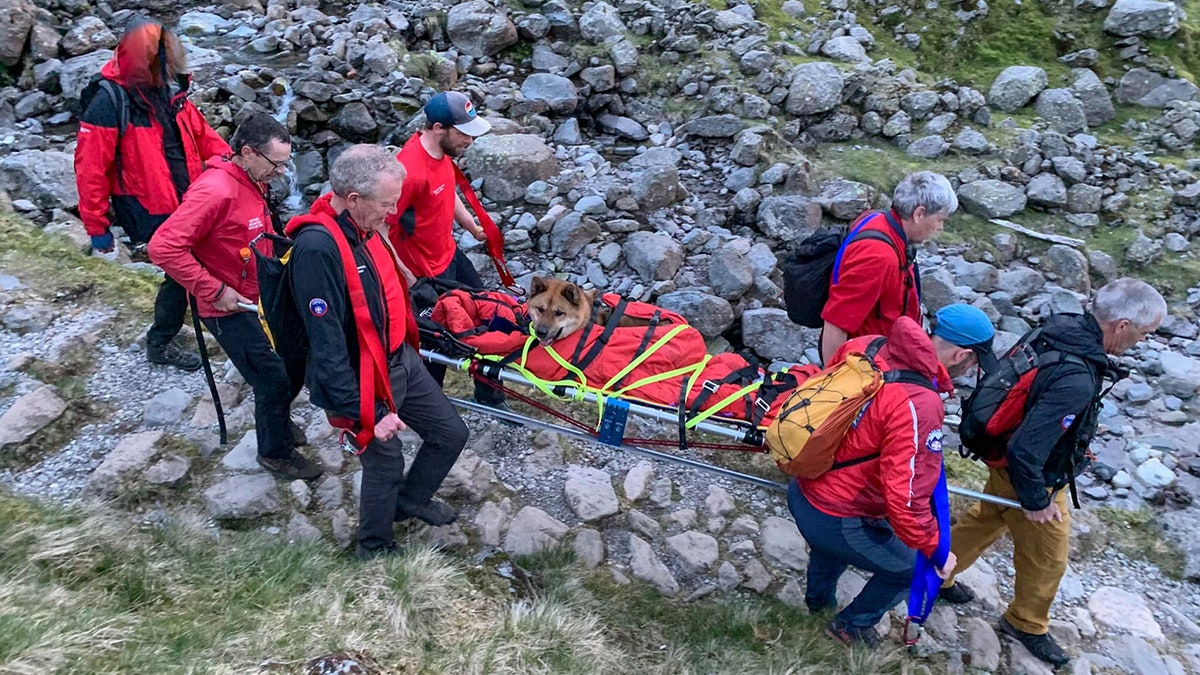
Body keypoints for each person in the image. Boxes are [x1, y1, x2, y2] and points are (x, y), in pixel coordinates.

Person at [939, 278, 1166, 667]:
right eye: (1144, 334)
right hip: (1032, 474)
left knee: (986, 519)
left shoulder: (1059, 327)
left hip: (999, 457)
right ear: (1122, 325)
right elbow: (1026, 449)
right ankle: (1026, 623)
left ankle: (934, 573)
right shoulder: (1076, 377)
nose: (1143, 342)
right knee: (1049, 558)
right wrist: (1037, 501)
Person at [288, 145, 470, 560]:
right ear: (354, 199)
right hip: (365, 375)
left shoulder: (364, 228)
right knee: (384, 465)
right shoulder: (318, 250)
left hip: (399, 358)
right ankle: (373, 546)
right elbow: (327, 343)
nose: (393, 213)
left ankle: (410, 501)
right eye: (387, 204)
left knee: (450, 434)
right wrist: (360, 411)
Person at [788, 303, 997, 648]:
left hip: (805, 483)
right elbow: (906, 499)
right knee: (911, 569)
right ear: (962, 355)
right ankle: (850, 627)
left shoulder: (869, 345)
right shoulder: (921, 403)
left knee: (833, 547)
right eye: (975, 362)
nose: (971, 369)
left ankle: (817, 602)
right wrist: (937, 551)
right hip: (837, 511)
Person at [148, 114, 321, 481]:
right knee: (271, 378)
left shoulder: (250, 179)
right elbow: (163, 247)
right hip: (226, 306)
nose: (282, 171)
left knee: (293, 358)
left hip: (259, 294)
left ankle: (277, 423)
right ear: (247, 152)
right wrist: (213, 290)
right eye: (276, 163)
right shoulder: (215, 191)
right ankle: (275, 453)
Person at [75, 16, 231, 371]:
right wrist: (98, 230)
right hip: (149, 206)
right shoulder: (109, 100)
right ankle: (162, 341)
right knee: (183, 270)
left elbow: (201, 133)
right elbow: (90, 170)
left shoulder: (169, 88)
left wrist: (231, 166)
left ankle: (199, 325)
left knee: (195, 264)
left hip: (188, 194)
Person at [385, 90, 508, 409]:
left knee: (490, 316)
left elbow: (447, 193)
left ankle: (489, 396)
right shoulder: (407, 172)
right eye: (464, 133)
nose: (470, 140)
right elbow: (381, 229)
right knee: (438, 342)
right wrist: (407, 276)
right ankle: (429, 408)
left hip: (449, 255)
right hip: (425, 273)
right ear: (439, 128)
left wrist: (472, 227)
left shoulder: (442, 155)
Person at [820, 171, 958, 365]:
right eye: (939, 219)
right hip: (866, 364)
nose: (940, 227)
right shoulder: (878, 256)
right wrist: (832, 381)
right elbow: (836, 322)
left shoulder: (878, 219)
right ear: (919, 214)